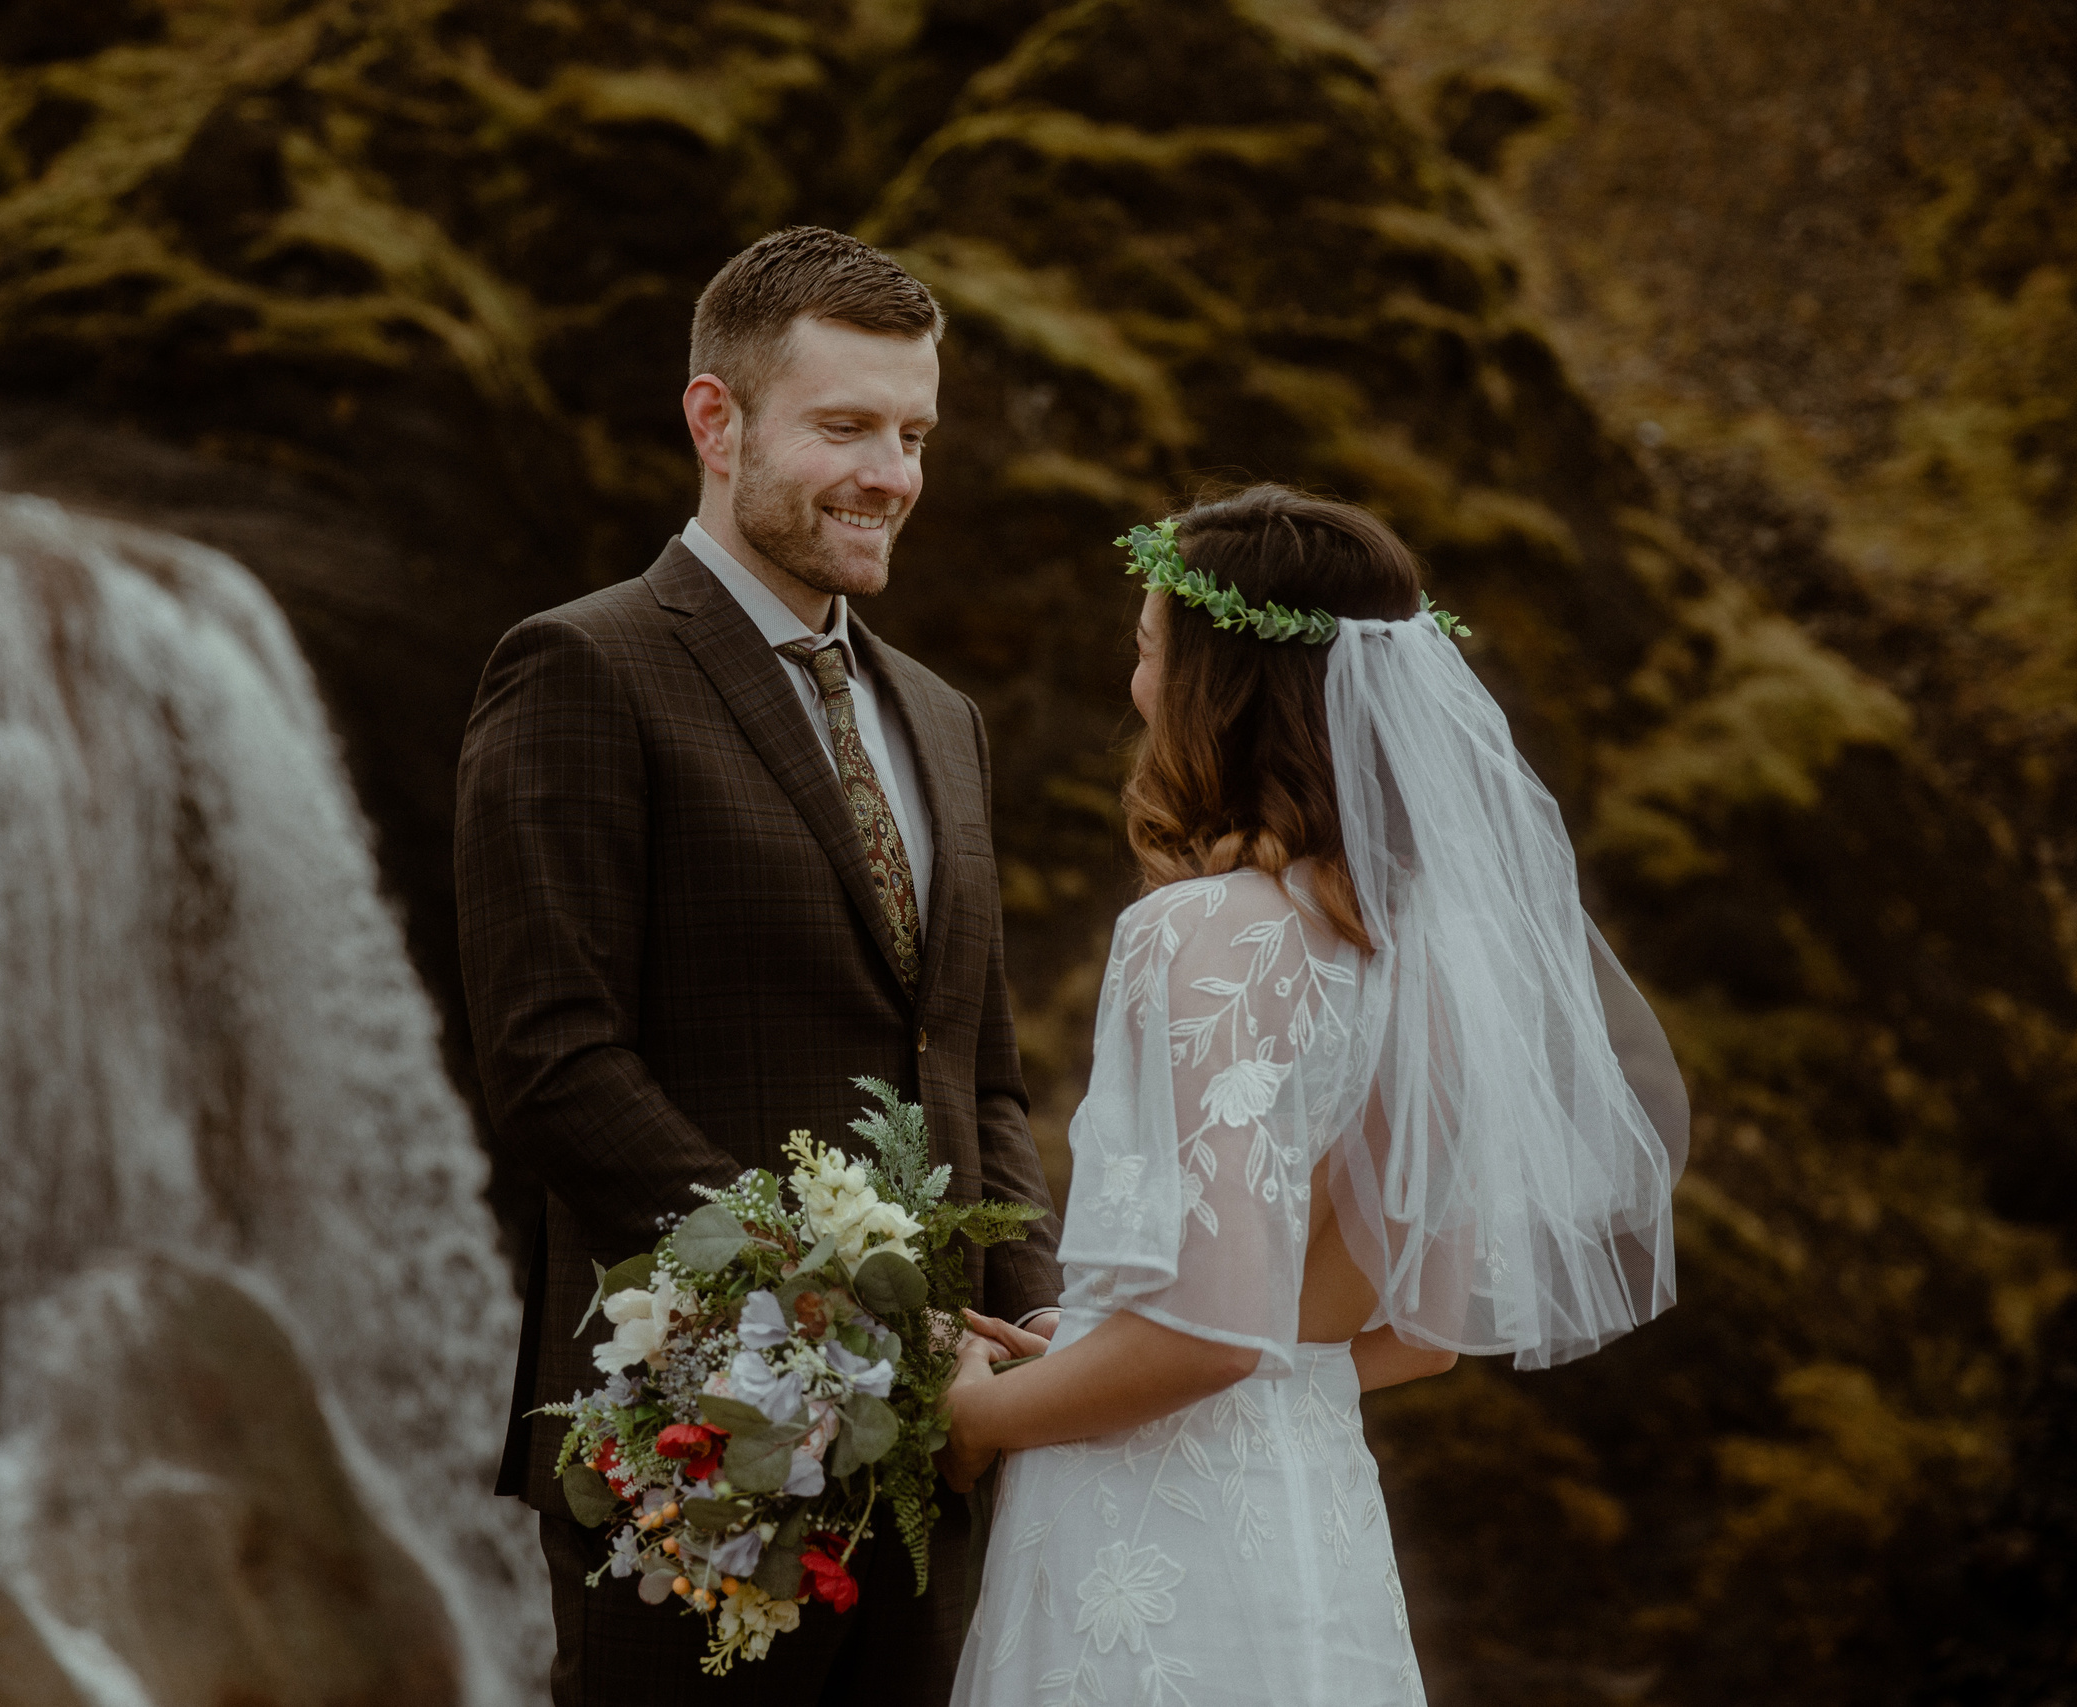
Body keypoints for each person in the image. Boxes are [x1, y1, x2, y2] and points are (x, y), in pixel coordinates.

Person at [939, 486, 1690, 1707]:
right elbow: (1419, 1334)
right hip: (1314, 1525)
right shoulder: (1429, 961)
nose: (1133, 687)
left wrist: (983, 1415)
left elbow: (1206, 1338)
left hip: (1147, 1531)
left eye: (1145, 653)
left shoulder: (1196, 933)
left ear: (1210, 690)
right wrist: (1090, 1350)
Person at [455, 226, 1067, 1706]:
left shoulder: (942, 715)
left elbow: (975, 1063)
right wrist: (842, 1307)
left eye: (914, 432)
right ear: (715, 421)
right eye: (846, 425)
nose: (893, 473)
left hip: (944, 1456)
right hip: (686, 1447)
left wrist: (1032, 1316)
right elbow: (556, 1067)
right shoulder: (581, 667)